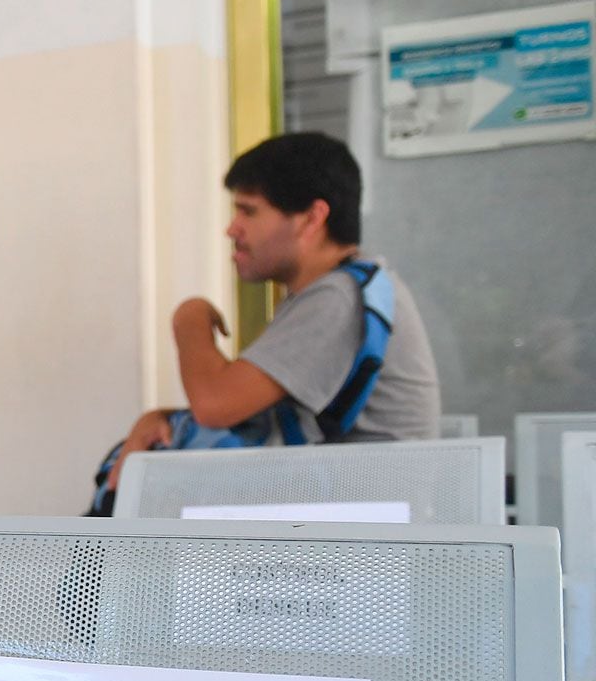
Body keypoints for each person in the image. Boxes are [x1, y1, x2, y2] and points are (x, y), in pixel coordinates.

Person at [103, 131, 440, 493]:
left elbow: (215, 404)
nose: (232, 229)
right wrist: (161, 419)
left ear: (311, 218)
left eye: (248, 211)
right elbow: (253, 411)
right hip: (336, 513)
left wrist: (189, 318)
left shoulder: (338, 298)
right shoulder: (334, 291)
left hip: (366, 532)